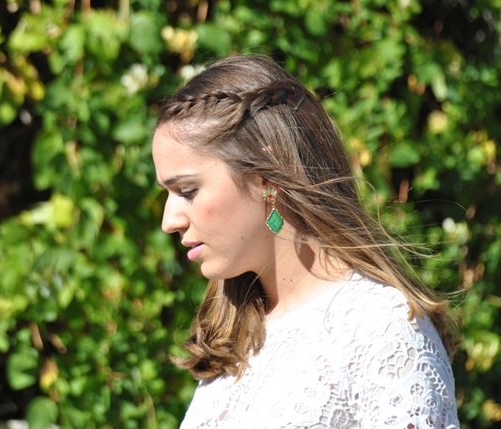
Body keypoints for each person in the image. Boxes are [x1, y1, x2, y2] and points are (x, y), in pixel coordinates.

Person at [152, 55, 460, 428]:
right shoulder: (234, 337)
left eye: (187, 190)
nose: (169, 221)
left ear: (265, 175)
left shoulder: (382, 329)